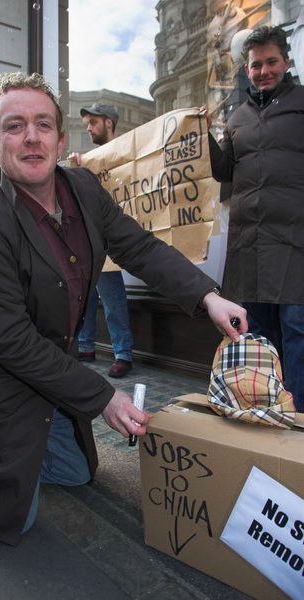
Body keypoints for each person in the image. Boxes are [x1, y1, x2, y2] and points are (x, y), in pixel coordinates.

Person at [0, 72, 247, 546]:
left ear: (60, 139)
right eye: (14, 126)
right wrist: (104, 397)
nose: (31, 137)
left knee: (76, 473)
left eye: (43, 125)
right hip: (6, 377)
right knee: (8, 513)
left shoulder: (83, 187)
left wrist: (208, 296)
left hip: (57, 375)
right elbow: (13, 343)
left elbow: (139, 248)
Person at [202, 25, 304, 412]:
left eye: (271, 62)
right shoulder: (237, 117)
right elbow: (223, 171)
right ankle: (265, 410)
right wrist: (202, 134)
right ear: (247, 68)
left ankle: (298, 421)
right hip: (250, 245)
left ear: (286, 62)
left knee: (298, 334)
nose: (263, 71)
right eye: (256, 64)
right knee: (256, 335)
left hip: (296, 242)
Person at [69, 103, 133, 378]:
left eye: (93, 122)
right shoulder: (90, 159)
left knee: (111, 297)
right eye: (87, 123)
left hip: (111, 238)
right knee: (86, 295)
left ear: (109, 122)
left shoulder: (126, 151)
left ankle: (123, 353)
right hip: (89, 237)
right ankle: (85, 346)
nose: (89, 128)